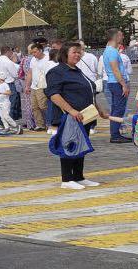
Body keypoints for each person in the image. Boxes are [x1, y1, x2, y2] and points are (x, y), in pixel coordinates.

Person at [46, 42, 109, 190]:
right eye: (74, 52)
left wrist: (99, 110)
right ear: (65, 54)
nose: (77, 55)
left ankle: (78, 177)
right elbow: (54, 95)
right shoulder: (57, 72)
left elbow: (89, 93)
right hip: (70, 116)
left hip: (85, 115)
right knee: (69, 146)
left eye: (79, 52)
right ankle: (67, 179)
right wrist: (71, 110)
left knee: (81, 146)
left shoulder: (77, 70)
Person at [102, 29, 132, 143]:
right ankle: (115, 135)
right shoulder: (112, 52)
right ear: (115, 37)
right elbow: (115, 69)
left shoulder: (109, 51)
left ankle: (115, 133)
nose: (122, 37)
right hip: (117, 83)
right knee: (118, 109)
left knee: (115, 109)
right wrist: (124, 85)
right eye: (121, 35)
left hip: (113, 82)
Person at [26, 43, 55, 133]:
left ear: (40, 50)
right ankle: (40, 124)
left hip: (43, 85)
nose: (33, 54)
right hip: (34, 86)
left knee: (43, 105)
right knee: (34, 107)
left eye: (35, 52)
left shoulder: (48, 58)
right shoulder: (33, 60)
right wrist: (27, 85)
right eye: (32, 53)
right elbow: (30, 73)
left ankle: (49, 123)